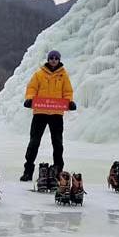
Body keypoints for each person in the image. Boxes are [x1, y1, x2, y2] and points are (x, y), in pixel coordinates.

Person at [19, 50, 76, 181]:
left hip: (56, 113)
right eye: (51, 58)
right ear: (48, 59)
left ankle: (58, 170)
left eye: (56, 58)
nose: (54, 60)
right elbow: (32, 88)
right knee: (34, 141)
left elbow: (67, 91)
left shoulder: (63, 76)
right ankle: (28, 170)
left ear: (59, 60)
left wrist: (70, 102)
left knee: (57, 143)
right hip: (40, 112)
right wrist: (30, 99)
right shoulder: (39, 74)